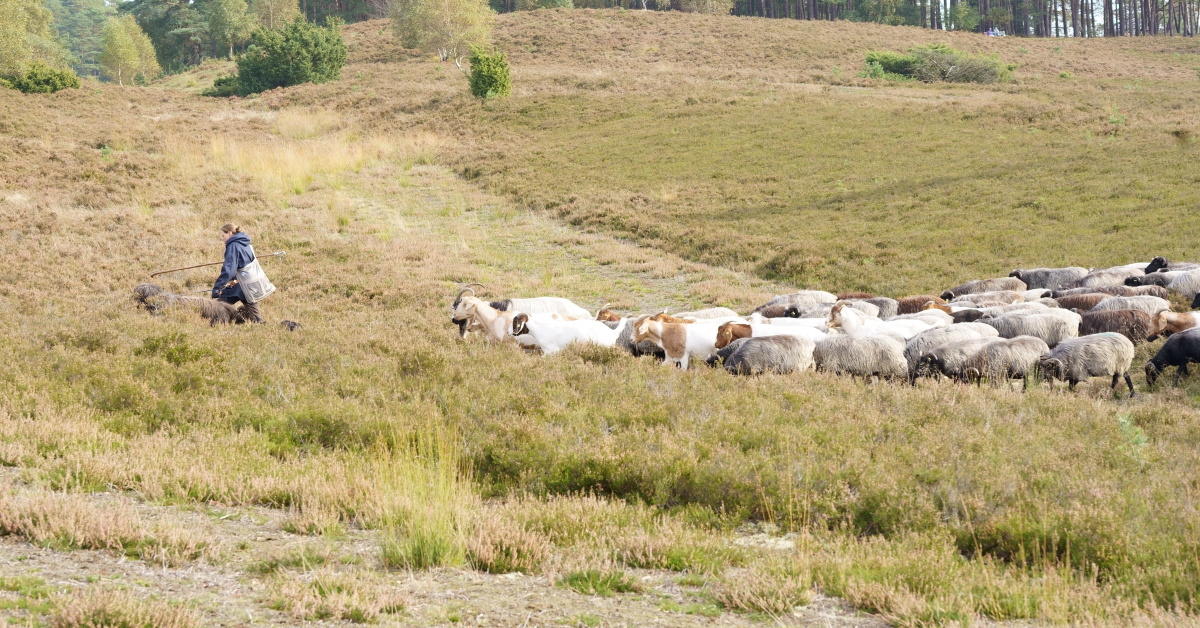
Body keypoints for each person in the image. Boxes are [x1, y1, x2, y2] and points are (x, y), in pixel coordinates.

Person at [212, 223, 265, 323]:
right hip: (250, 283)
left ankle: (215, 326)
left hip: (239, 285)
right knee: (256, 319)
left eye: (223, 235)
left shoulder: (233, 245)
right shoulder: (245, 243)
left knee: (218, 309)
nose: (222, 238)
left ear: (230, 233)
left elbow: (229, 269)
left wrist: (218, 287)